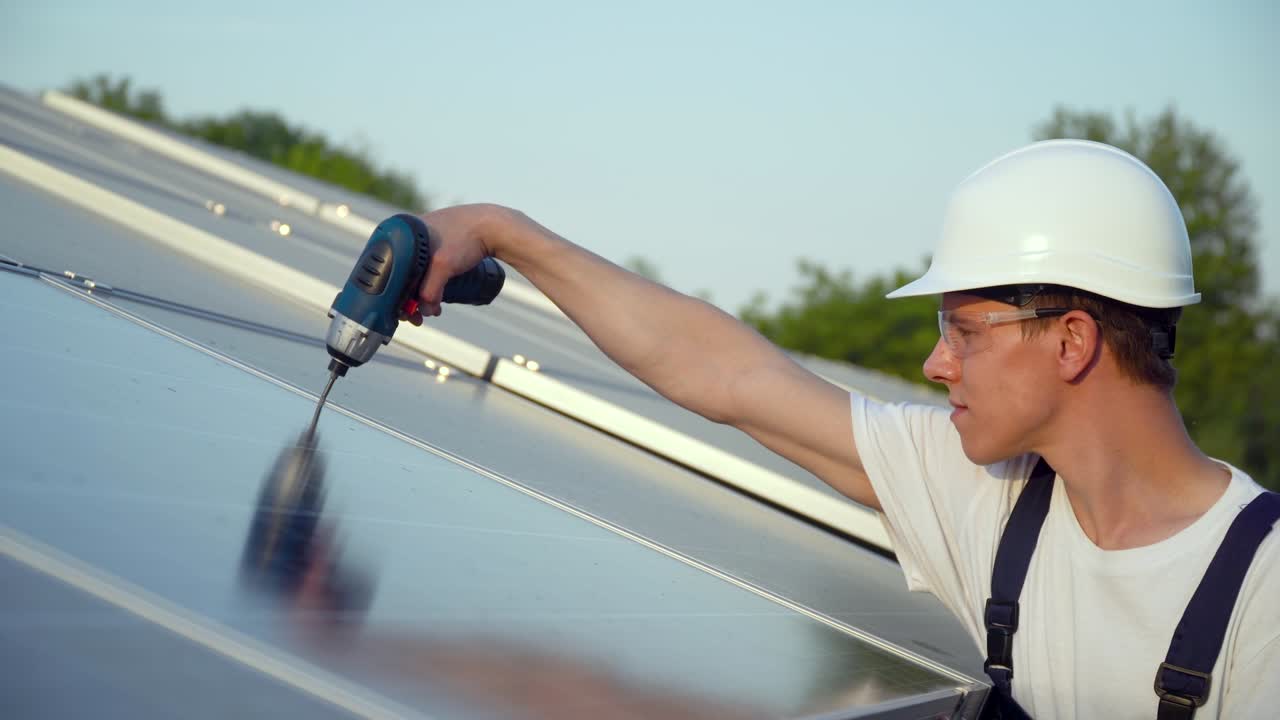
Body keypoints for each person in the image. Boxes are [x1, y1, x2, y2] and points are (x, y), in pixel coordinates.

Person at [404, 139, 1278, 719]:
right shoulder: (991, 495)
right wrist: (500, 231)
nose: (939, 366)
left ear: (1072, 341)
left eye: (963, 332)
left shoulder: (1262, 592)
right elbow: (729, 375)